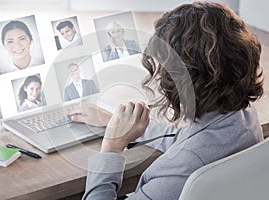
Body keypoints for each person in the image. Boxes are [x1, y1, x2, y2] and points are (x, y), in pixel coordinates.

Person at [68, 2, 264, 200]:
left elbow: (188, 153)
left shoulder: (182, 170)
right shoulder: (243, 116)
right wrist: (114, 123)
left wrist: (111, 147)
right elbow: (186, 138)